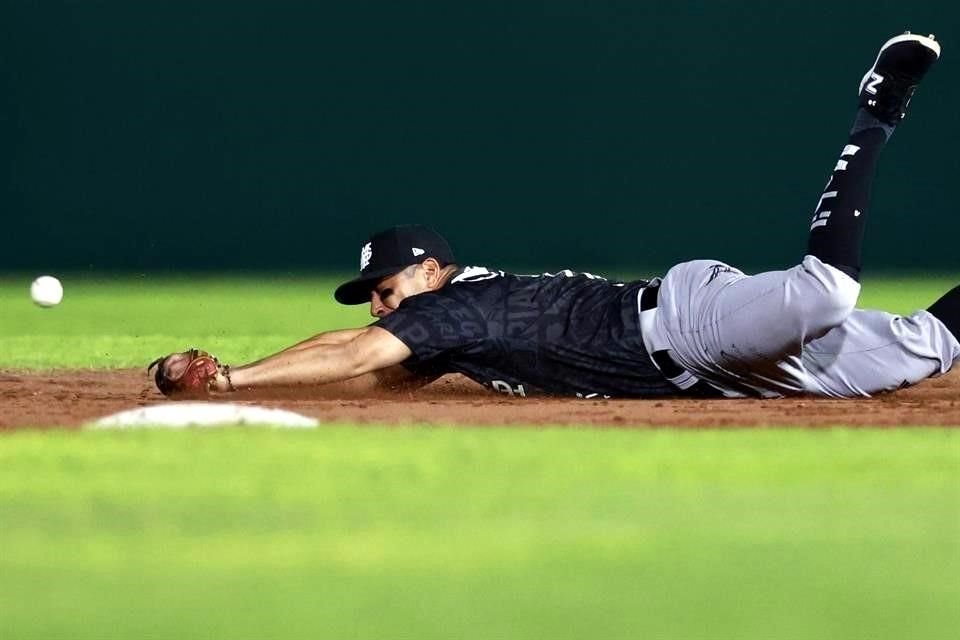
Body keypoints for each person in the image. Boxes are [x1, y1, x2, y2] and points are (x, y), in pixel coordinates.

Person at [151, 31, 960, 400]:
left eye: (387, 287)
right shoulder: (451, 325)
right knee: (928, 348)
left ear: (432, 270)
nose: (379, 302)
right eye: (372, 292)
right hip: (723, 374)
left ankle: (875, 115)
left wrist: (233, 380)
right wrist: (252, 366)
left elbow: (366, 348)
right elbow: (357, 352)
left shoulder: (457, 305)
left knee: (826, 292)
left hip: (690, 321)